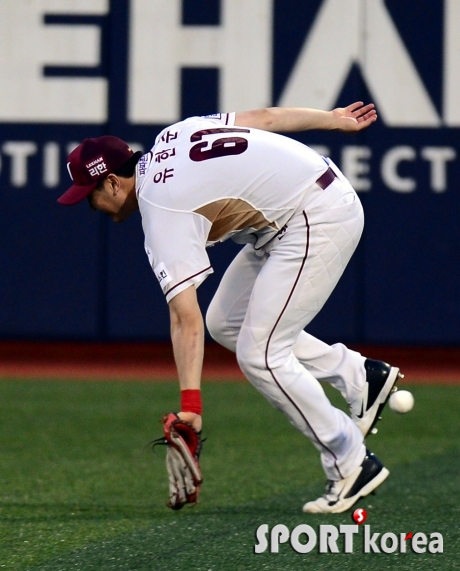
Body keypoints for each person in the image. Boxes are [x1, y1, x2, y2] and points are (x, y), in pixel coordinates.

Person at [58, 102, 402, 513]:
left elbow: (184, 319)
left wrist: (192, 405)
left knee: (261, 355)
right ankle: (360, 377)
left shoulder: (160, 208)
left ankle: (350, 461)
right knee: (227, 323)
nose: (90, 206)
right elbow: (266, 118)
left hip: (315, 217)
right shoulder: (174, 135)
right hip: (298, 209)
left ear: (112, 182)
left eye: (89, 195)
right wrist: (331, 119)